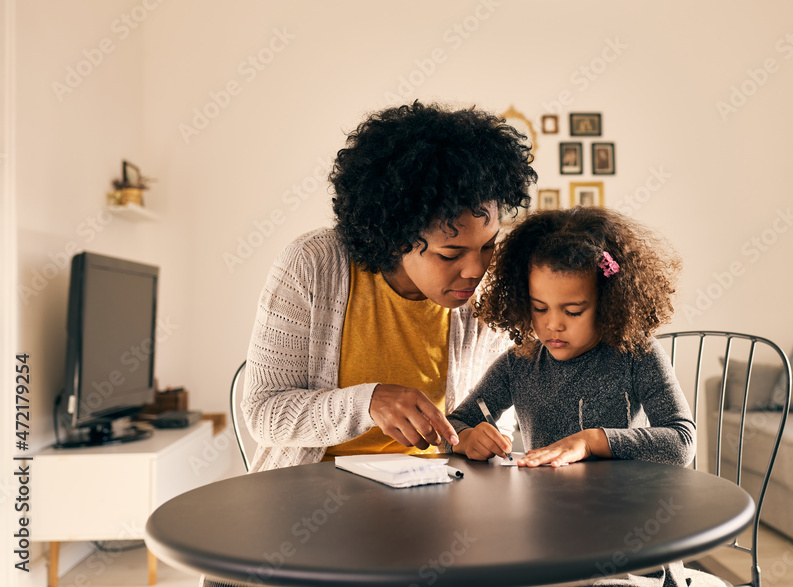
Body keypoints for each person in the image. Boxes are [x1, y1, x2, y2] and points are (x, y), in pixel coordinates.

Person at [242, 101, 536, 472]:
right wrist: (367, 403)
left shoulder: (491, 292)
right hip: (311, 495)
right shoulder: (313, 264)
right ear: (396, 238)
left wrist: (478, 436)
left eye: (488, 246)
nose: (475, 271)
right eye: (450, 254)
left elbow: (491, 415)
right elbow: (264, 413)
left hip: (433, 491)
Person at [447, 206, 693, 587]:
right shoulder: (520, 363)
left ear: (609, 302)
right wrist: (466, 437)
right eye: (539, 307)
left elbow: (681, 442)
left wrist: (592, 440)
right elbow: (457, 421)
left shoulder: (636, 354)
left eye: (573, 310)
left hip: (630, 537)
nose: (552, 324)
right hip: (551, 534)